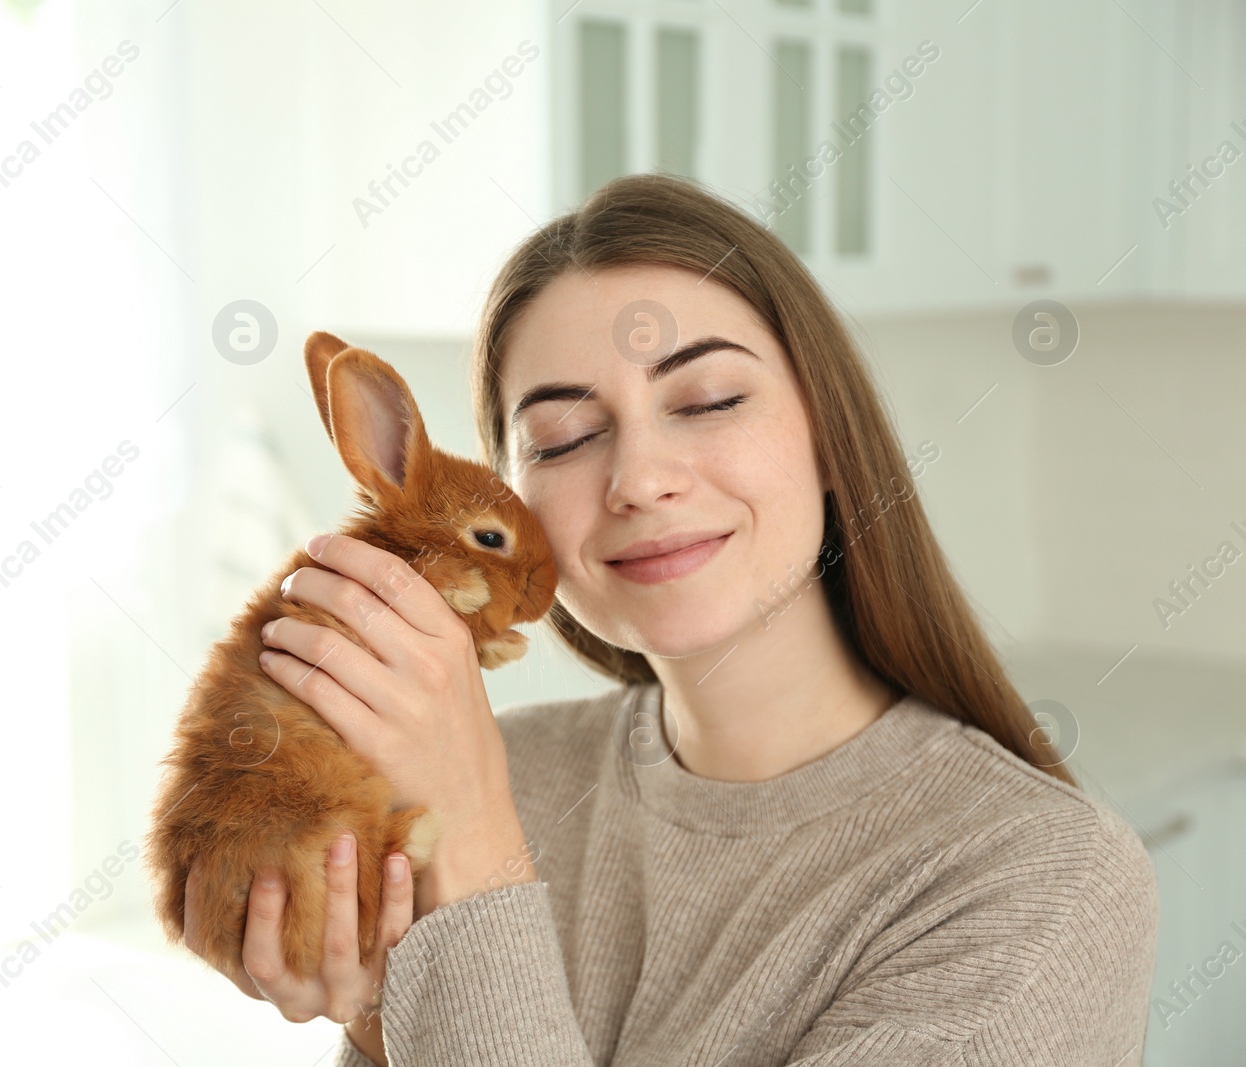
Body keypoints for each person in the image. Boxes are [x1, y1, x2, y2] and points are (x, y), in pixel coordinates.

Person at [190, 173, 1161, 1065]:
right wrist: (368, 1007)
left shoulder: (1043, 877)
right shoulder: (502, 769)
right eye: (564, 437)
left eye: (707, 398)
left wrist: (477, 851)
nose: (640, 480)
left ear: (830, 435)